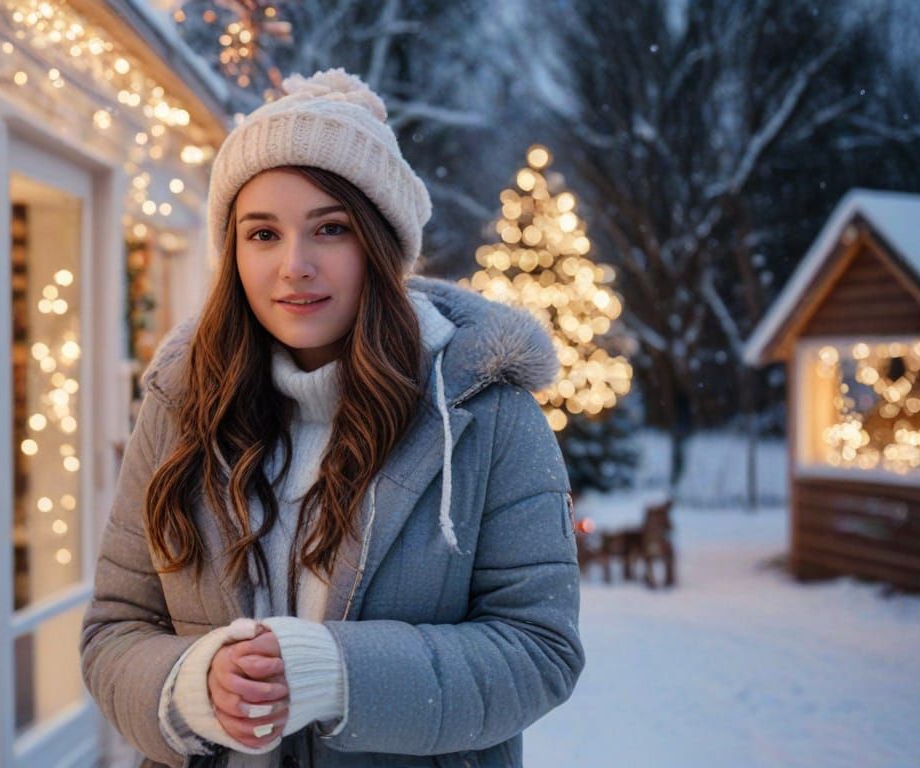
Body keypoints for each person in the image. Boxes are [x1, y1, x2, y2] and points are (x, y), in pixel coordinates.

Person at [81, 68, 583, 768]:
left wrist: (338, 673)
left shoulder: (483, 409)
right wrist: (193, 685)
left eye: (331, 229)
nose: (295, 265)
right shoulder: (182, 404)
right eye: (263, 234)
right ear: (232, 253)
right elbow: (114, 630)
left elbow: (539, 649)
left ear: (379, 245)